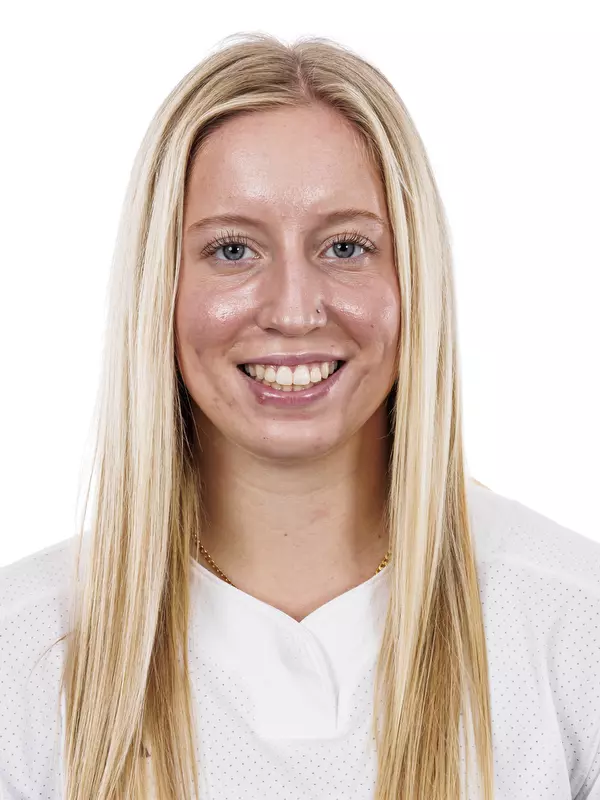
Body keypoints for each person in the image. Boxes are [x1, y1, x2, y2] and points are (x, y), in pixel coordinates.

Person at [1, 31, 599, 800]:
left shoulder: (573, 629)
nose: (293, 309)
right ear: (161, 288)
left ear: (413, 277)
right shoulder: (23, 657)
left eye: (346, 246)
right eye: (233, 251)